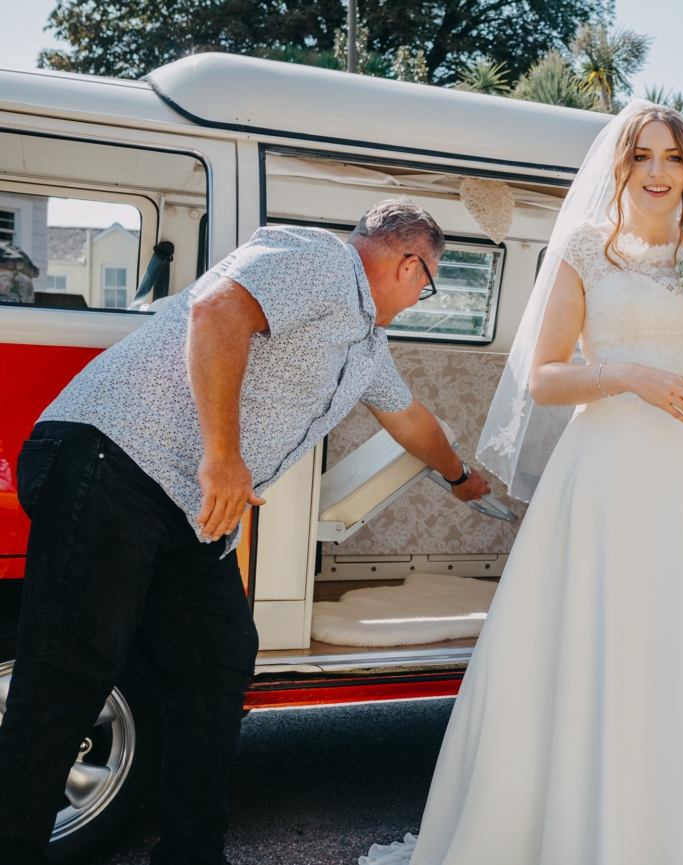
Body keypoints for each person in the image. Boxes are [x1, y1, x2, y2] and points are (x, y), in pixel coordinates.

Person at [0, 198, 490, 865]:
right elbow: (218, 311)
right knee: (70, 673)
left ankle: (192, 855)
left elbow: (411, 422)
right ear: (409, 263)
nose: (420, 297)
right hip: (113, 457)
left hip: (187, 506)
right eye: (428, 283)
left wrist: (463, 478)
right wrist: (224, 456)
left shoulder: (367, 344)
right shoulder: (319, 258)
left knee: (218, 661)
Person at [359, 104, 683, 865]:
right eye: (642, 156)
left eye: (673, 158)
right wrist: (625, 374)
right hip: (609, 473)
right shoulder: (585, 247)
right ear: (618, 165)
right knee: (600, 642)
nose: (657, 172)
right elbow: (544, 377)